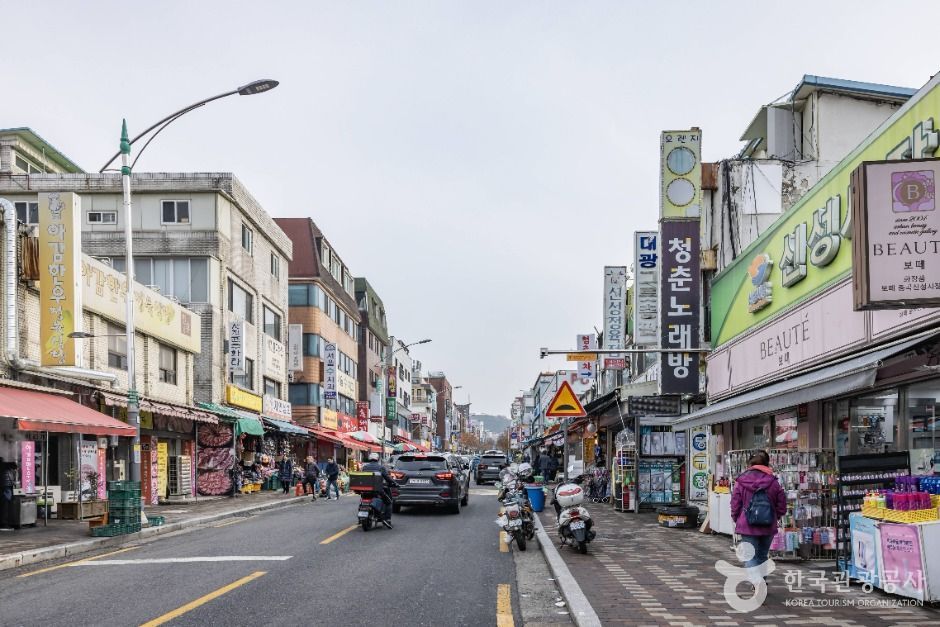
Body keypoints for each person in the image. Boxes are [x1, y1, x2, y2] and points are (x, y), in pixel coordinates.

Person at [730, 450, 787, 577]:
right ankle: (762, 581)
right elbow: (782, 505)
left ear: (750, 464)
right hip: (768, 524)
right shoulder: (774, 482)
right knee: (762, 555)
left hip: (747, 524)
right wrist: (775, 516)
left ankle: (757, 582)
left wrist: (737, 518)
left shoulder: (741, 481)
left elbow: (735, 504)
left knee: (749, 556)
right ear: (767, 464)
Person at [361, 452, 399, 528]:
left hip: (365, 490)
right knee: (389, 502)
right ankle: (387, 519)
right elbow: (387, 478)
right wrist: (395, 483)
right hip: (377, 490)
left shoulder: (364, 467)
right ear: (377, 459)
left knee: (363, 499)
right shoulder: (380, 468)